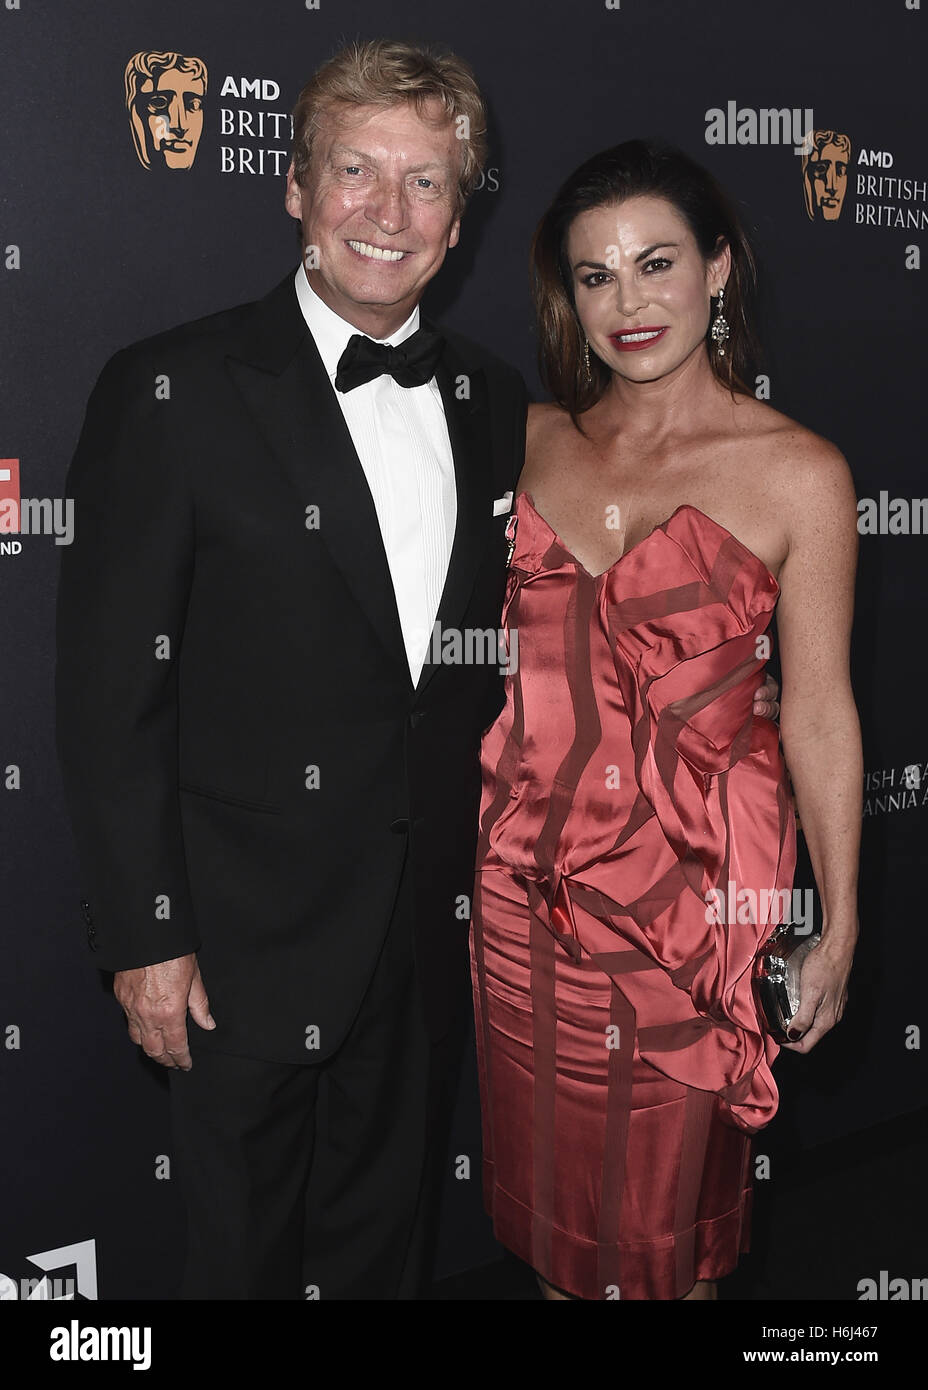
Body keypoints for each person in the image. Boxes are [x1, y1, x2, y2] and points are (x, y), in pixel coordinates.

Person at [55, 39, 779, 1300]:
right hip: (236, 944)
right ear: (294, 189)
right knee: (235, 1266)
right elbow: (109, 695)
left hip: (432, 936)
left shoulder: (497, 404)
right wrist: (146, 935)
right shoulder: (168, 389)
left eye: (427, 184)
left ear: (461, 219)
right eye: (355, 172)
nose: (388, 215)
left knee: (381, 1255)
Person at [469, 139, 861, 1302]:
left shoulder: (798, 473)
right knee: (553, 1243)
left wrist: (835, 926)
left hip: (694, 912)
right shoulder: (525, 436)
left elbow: (822, 710)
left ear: (719, 268)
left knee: (666, 1245)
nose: (627, 303)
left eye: (655, 263)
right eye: (595, 277)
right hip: (520, 899)